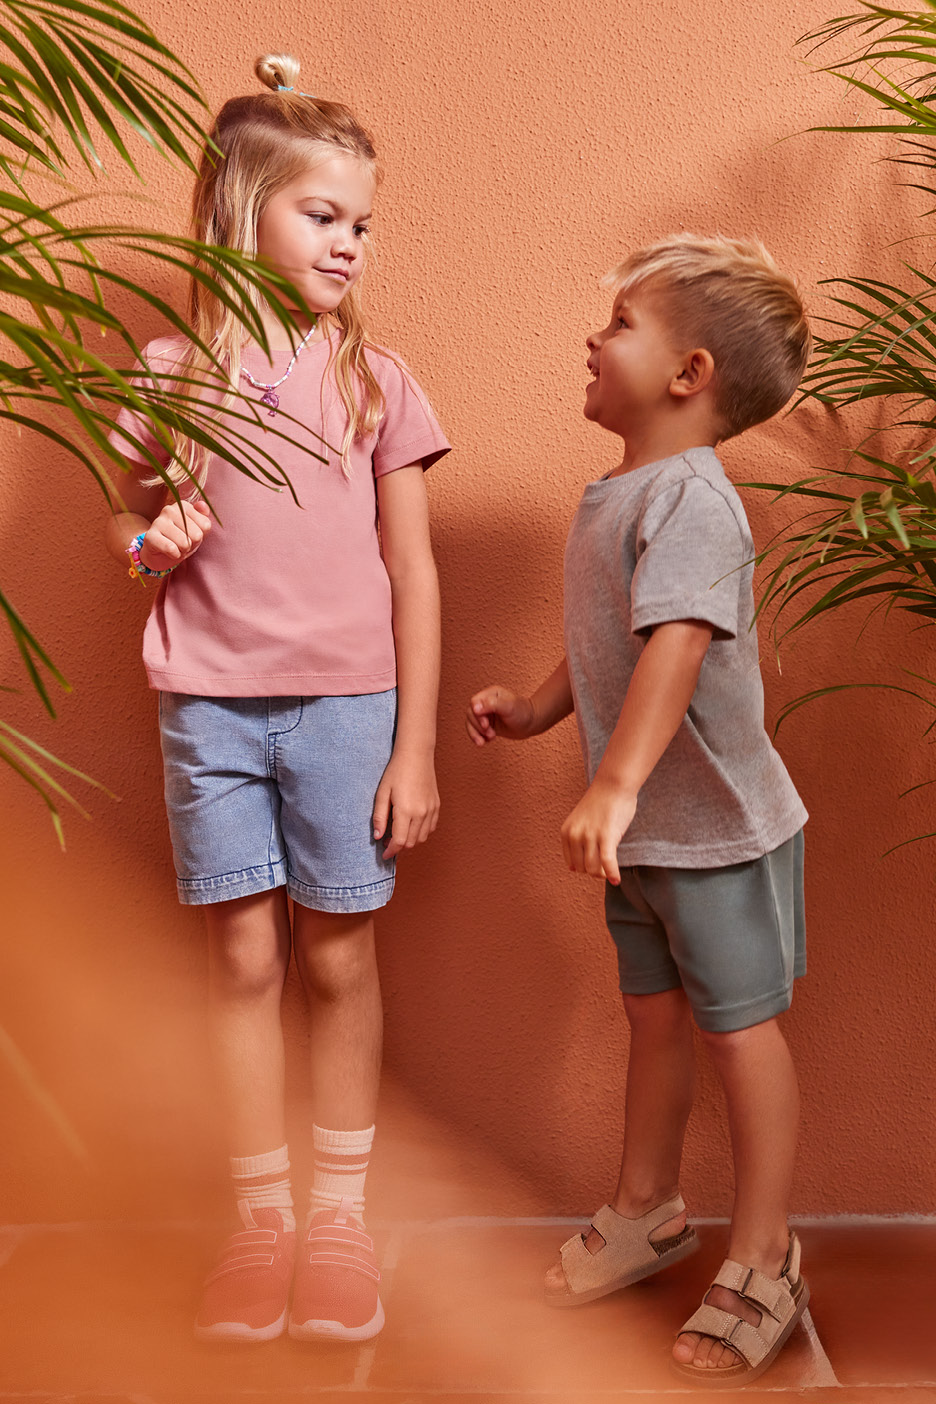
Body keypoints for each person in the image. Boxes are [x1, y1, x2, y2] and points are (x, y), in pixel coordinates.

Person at [105, 53, 450, 1345]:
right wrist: (161, 540)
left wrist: (413, 751)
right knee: (241, 959)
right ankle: (261, 1224)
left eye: (363, 220)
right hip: (208, 705)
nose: (351, 242)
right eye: (323, 214)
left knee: (339, 954)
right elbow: (124, 542)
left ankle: (341, 1222)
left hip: (350, 708)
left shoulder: (376, 380)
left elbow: (413, 566)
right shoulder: (168, 373)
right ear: (240, 207)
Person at [467, 235, 811, 1388]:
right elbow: (612, 637)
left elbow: (675, 646)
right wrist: (539, 712)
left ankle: (766, 1254)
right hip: (649, 835)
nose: (591, 335)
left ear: (689, 373)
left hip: (716, 830)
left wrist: (611, 783)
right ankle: (648, 1207)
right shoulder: (620, 492)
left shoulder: (696, 501)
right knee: (655, 1021)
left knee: (737, 1031)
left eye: (619, 322)